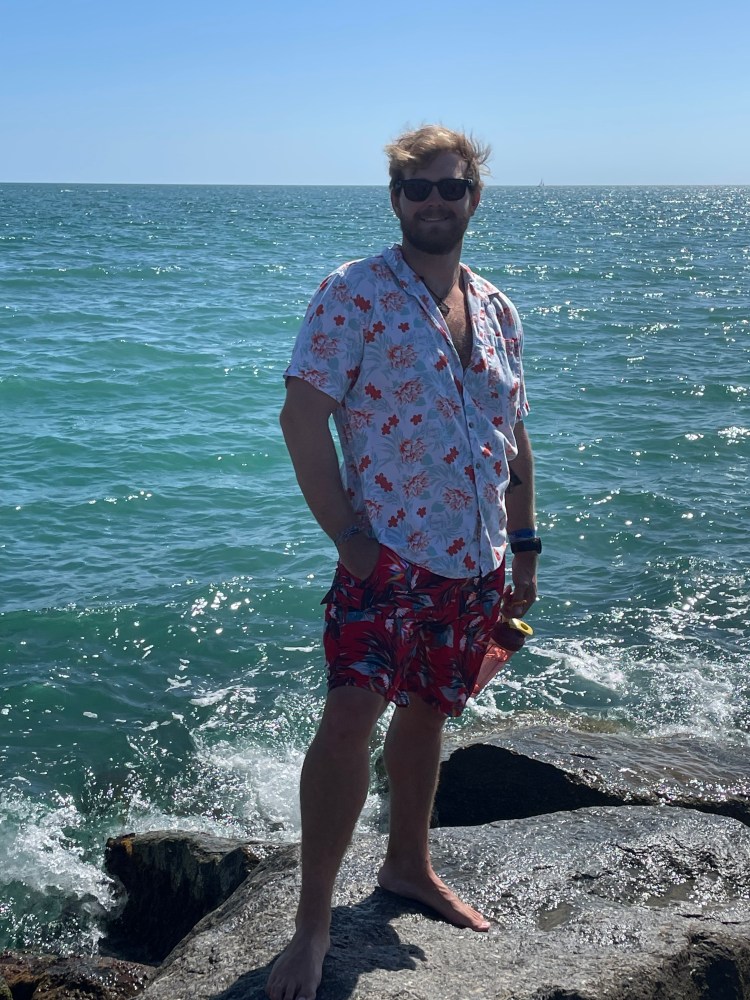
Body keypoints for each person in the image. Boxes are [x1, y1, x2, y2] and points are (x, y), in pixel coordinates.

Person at [267, 125, 539, 1000]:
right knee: (351, 715)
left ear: (473, 200)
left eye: (450, 189)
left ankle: (408, 867)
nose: (433, 202)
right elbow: (302, 421)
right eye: (416, 188)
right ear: (395, 199)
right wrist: (350, 538)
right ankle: (312, 927)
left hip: (478, 558)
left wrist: (524, 548)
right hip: (388, 559)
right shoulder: (355, 293)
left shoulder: (497, 308)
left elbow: (514, 436)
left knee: (427, 714)